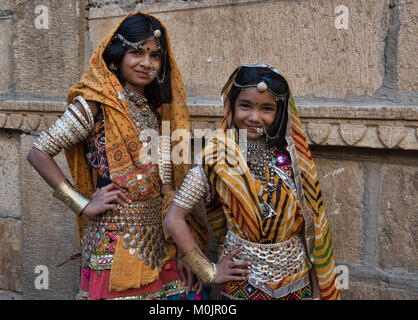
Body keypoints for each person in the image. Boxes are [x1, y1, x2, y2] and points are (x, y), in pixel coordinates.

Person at [27, 12, 209, 300]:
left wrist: (182, 253)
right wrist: (83, 204)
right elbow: (39, 152)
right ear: (116, 56)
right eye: (137, 52)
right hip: (113, 246)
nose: (146, 63)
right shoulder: (96, 103)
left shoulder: (152, 110)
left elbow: (163, 185)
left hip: (158, 244)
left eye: (154, 56)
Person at [164, 63, 340, 300]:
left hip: (297, 282)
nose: (254, 117)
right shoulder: (219, 155)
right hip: (244, 286)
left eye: (267, 108)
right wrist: (208, 271)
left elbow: (313, 224)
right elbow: (174, 218)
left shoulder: (293, 156)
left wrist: (319, 281)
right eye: (245, 106)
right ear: (232, 106)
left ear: (280, 112)